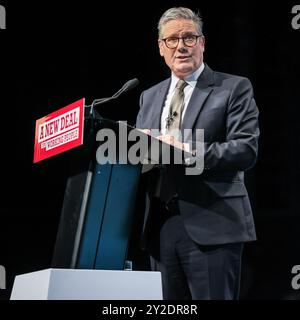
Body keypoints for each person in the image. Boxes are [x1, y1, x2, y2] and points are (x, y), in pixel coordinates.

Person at [135, 7, 259, 300]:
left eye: (189, 37)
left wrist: (188, 151)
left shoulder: (233, 88)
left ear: (202, 43)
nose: (181, 46)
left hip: (213, 222)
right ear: (160, 48)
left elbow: (245, 149)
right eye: (172, 39)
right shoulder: (148, 96)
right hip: (160, 226)